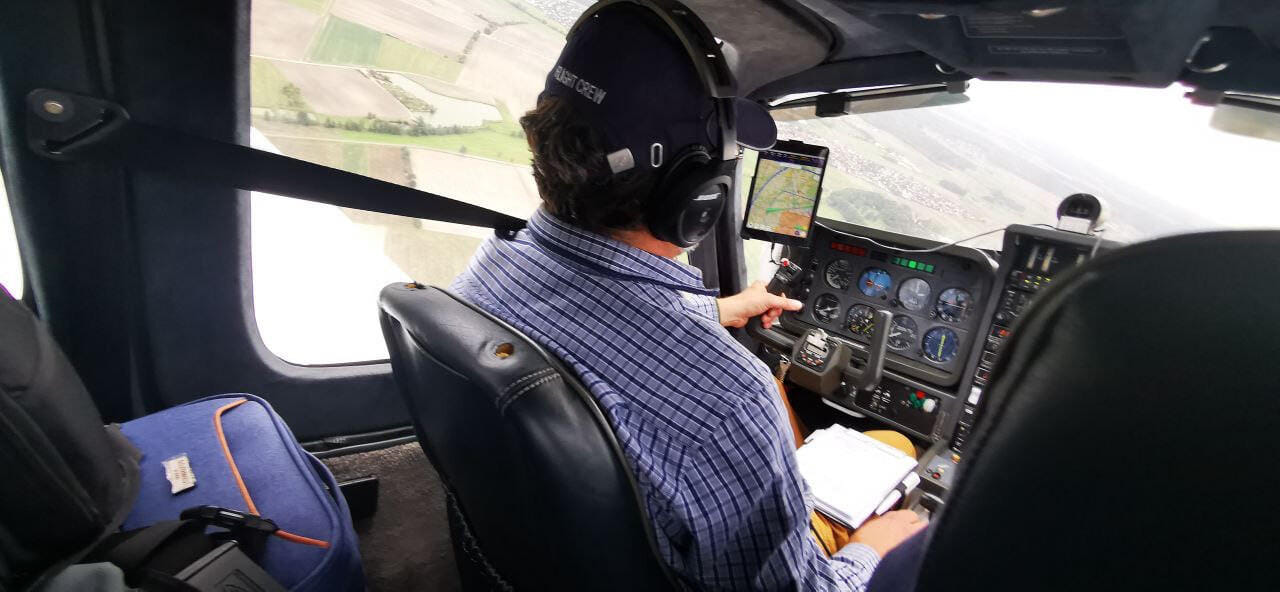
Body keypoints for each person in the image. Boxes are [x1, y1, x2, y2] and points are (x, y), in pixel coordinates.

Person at [451, 4, 924, 589]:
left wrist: (712, 312)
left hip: (522, 561)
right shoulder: (726, 399)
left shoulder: (486, 271)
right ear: (695, 197)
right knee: (897, 450)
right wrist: (874, 553)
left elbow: (589, 321)